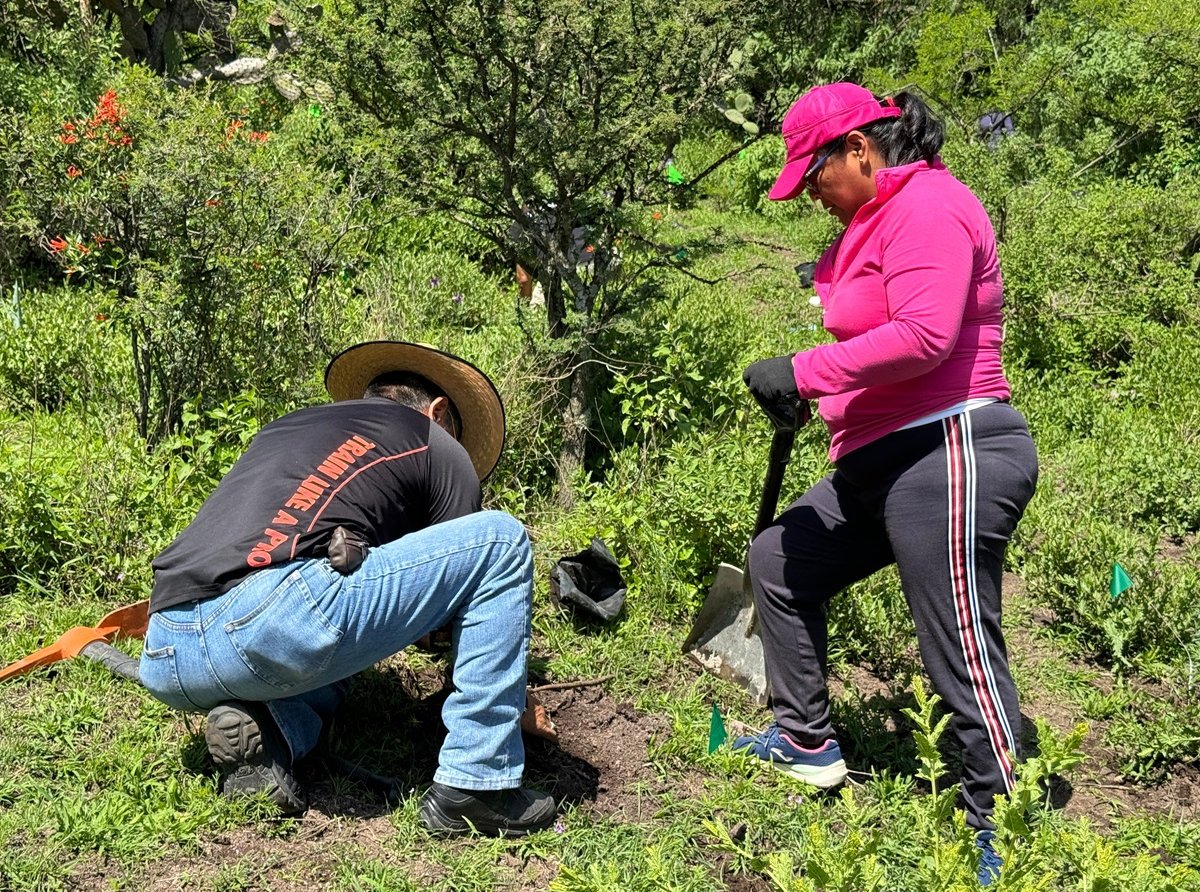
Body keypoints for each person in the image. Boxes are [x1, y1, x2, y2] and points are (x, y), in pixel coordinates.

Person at [735, 83, 1038, 887]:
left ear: (859, 150)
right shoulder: (867, 224)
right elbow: (871, 342)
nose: (811, 196)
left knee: (957, 640)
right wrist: (819, 399)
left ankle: (1000, 824)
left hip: (951, 445)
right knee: (777, 560)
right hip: (877, 460)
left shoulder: (930, 204)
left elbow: (928, 335)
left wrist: (802, 370)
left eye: (815, 176)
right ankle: (806, 741)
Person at [138, 340, 557, 837]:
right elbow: (450, 615)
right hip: (269, 619)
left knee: (337, 645)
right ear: (439, 411)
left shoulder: (288, 426)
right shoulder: (434, 440)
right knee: (500, 540)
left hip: (165, 649)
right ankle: (479, 784)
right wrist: (512, 697)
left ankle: (272, 730)